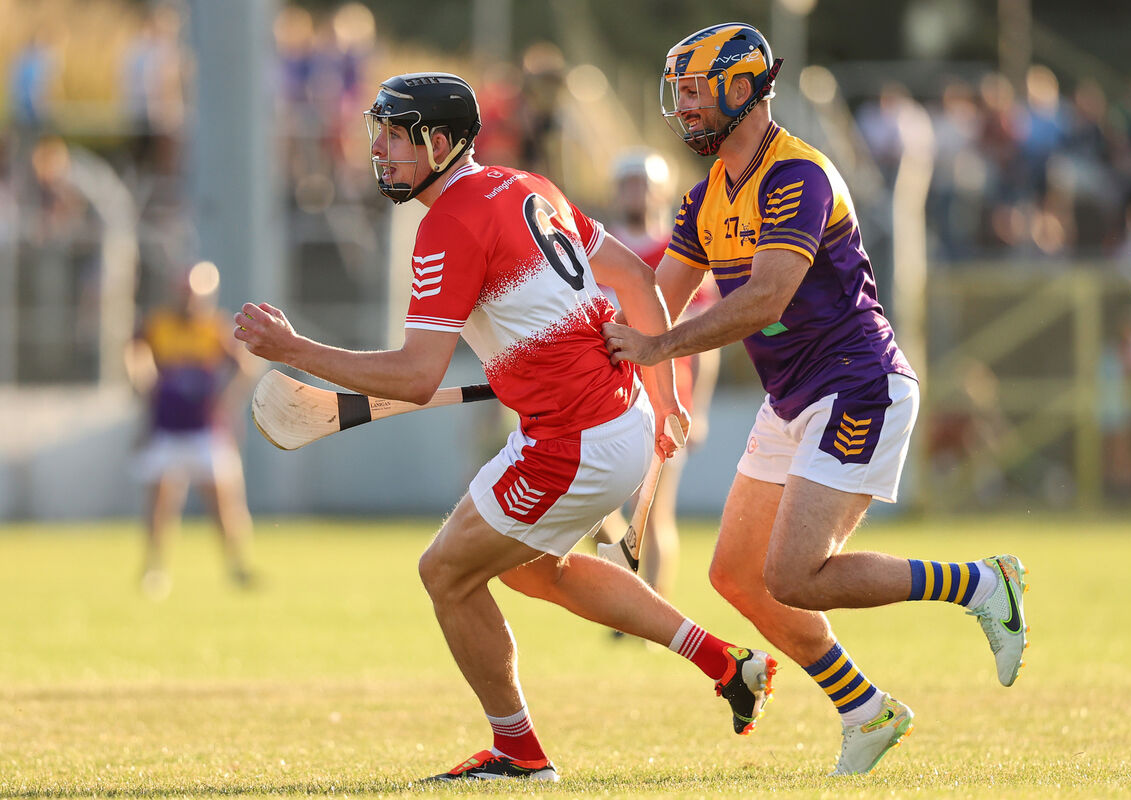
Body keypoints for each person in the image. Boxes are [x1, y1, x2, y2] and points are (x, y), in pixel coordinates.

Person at [234, 72, 776, 784]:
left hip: (572, 440)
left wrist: (297, 351)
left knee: (446, 574)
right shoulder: (529, 186)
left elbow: (416, 377)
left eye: (395, 136)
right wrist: (665, 398)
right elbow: (637, 285)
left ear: (438, 142)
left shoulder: (448, 224)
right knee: (531, 569)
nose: (380, 150)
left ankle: (519, 754)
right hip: (613, 417)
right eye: (379, 134)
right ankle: (726, 662)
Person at [603, 23, 1029, 776]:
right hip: (794, 396)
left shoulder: (799, 175)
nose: (686, 110)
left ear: (743, 88)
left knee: (794, 574)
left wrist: (659, 351)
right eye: (683, 96)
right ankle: (867, 709)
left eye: (698, 93)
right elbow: (654, 304)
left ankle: (981, 583)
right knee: (734, 574)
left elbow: (764, 294)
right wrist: (597, 356)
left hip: (856, 383)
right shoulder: (703, 199)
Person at [598, 149, 720, 603]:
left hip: (663, 393)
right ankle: (626, 597)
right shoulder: (598, 248)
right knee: (597, 507)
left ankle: (654, 610)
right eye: (628, 182)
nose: (636, 192)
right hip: (605, 396)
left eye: (644, 183)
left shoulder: (677, 252)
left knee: (652, 511)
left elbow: (706, 340)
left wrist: (700, 409)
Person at [125, 261, 257, 599]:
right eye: (184, 292)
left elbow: (245, 366)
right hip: (166, 428)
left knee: (224, 503)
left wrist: (226, 405)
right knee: (160, 503)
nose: (189, 300)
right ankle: (153, 569)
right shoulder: (158, 325)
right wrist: (143, 385)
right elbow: (134, 354)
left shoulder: (215, 328)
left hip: (205, 429)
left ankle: (238, 566)